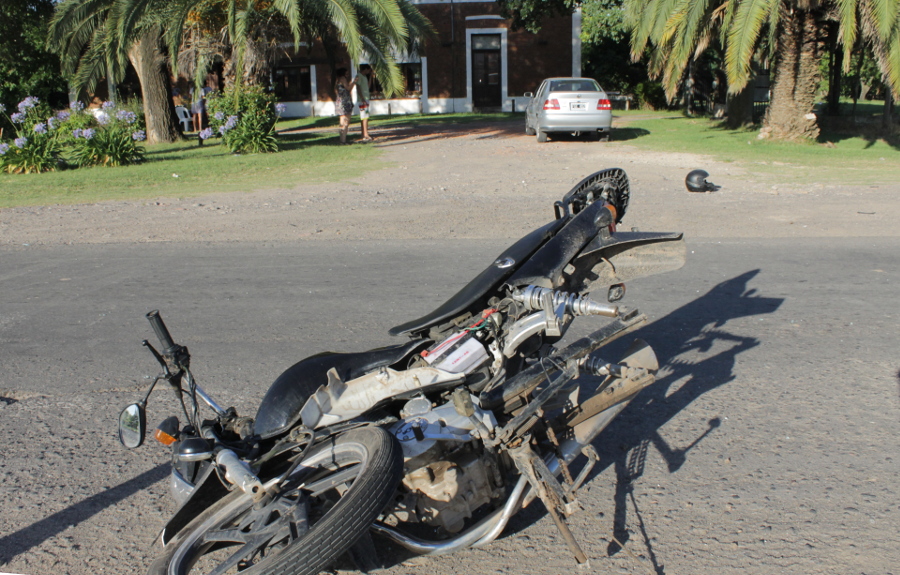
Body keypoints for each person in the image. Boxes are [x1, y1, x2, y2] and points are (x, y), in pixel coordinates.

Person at [334, 67, 356, 144]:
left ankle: (342, 139)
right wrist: (354, 82)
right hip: (345, 102)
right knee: (346, 121)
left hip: (339, 101)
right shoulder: (343, 79)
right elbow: (348, 88)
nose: (347, 74)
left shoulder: (337, 80)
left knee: (342, 121)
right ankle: (343, 140)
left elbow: (335, 90)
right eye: (346, 73)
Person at [356, 64, 374, 141]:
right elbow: (358, 87)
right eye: (368, 70)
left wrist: (371, 77)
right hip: (362, 99)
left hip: (366, 98)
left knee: (364, 116)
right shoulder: (359, 76)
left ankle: (363, 133)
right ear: (365, 69)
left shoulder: (364, 77)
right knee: (365, 116)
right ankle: (365, 134)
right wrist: (362, 98)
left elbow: (368, 86)